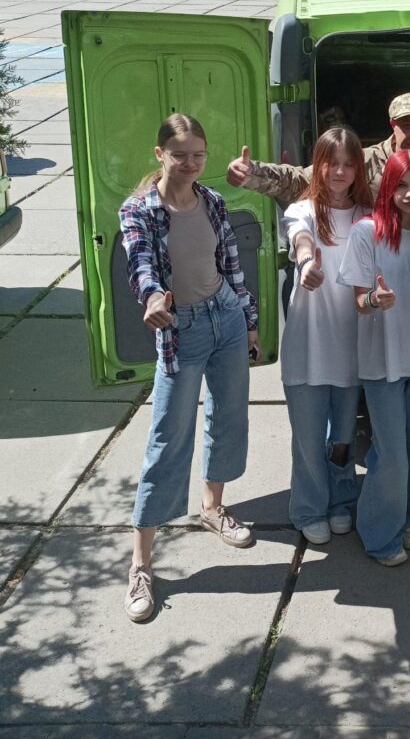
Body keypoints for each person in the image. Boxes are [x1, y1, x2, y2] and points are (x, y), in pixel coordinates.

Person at [119, 114, 258, 623]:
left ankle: (212, 508)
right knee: (168, 437)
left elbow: (231, 265)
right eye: (180, 155)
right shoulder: (139, 210)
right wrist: (153, 297)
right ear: (160, 154)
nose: (191, 163)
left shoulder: (212, 200)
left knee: (228, 418)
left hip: (225, 317)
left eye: (198, 154)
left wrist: (248, 319)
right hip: (183, 329)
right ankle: (141, 565)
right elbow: (140, 263)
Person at [337, 149, 410, 567]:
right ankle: (380, 534)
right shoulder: (367, 232)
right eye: (401, 185)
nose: (409, 194)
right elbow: (360, 301)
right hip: (382, 361)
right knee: (391, 452)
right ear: (388, 188)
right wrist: (376, 299)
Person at [280, 127, 373, 545]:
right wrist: (306, 265)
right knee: (308, 436)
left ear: (358, 170)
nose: (339, 171)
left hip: (351, 347)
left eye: (348, 164)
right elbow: (301, 239)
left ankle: (340, 500)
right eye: (331, 163)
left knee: (343, 438)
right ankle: (308, 508)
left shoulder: (367, 216)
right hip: (308, 346)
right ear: (317, 165)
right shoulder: (302, 209)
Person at [226, 92, 410, 209]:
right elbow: (302, 181)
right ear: (393, 124)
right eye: (409, 125)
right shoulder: (364, 162)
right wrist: (252, 173)